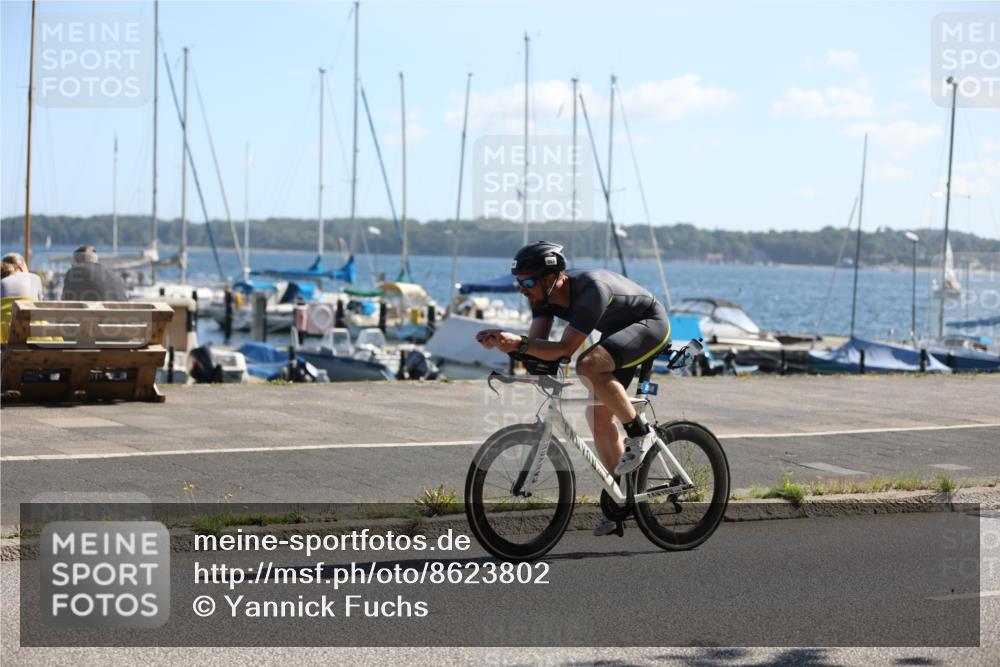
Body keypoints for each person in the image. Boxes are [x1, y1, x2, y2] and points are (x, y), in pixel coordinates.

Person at [475, 241, 671, 536]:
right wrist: (508, 347)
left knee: (588, 365)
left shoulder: (590, 291)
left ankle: (639, 432)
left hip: (649, 324)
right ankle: (623, 497)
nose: (522, 290)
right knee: (597, 417)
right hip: (617, 335)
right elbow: (537, 351)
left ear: (552, 278)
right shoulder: (540, 297)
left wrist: (520, 344)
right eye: (519, 283)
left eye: (528, 282)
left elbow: (566, 348)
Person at [60, 245, 128, 301]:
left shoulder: (75, 273)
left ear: (77, 261)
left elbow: (65, 302)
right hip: (122, 316)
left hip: (94, 316)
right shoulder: (112, 273)